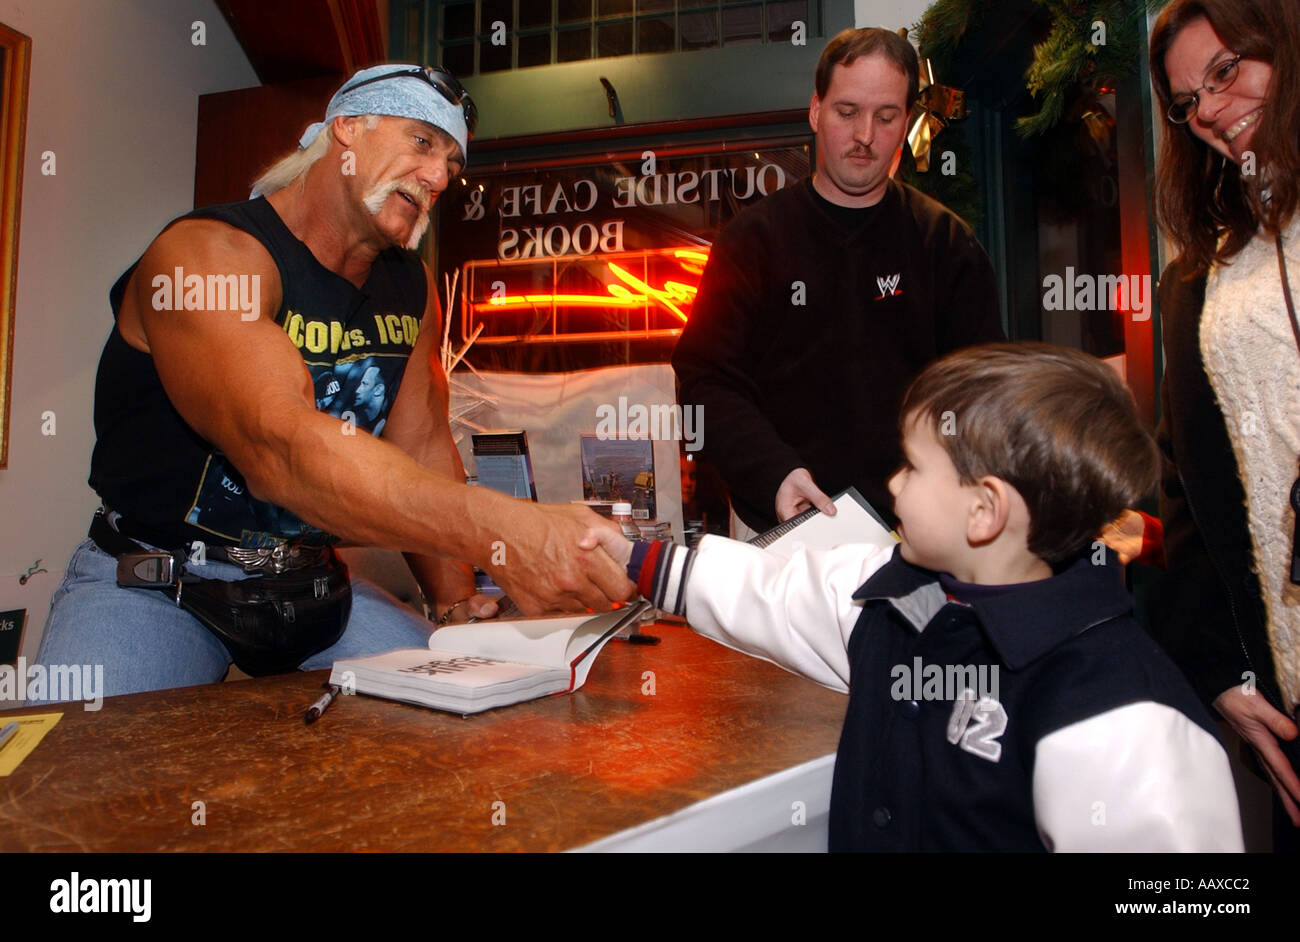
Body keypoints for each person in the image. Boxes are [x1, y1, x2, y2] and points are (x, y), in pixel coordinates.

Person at [33, 64, 632, 698]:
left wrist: (457, 604)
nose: (436, 178)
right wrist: (504, 528)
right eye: (422, 142)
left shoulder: (410, 286)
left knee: (480, 718)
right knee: (72, 782)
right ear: (345, 127)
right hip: (159, 585)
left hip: (313, 591)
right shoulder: (205, 257)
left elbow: (422, 447)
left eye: (452, 167)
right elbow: (278, 448)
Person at [595, 343, 1243, 851]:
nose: (893, 483)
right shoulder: (892, 596)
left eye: (913, 466)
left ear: (984, 510)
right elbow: (777, 594)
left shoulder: (1122, 712)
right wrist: (633, 558)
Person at [672, 27, 1003, 539]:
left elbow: (982, 396)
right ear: (815, 111)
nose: (865, 134)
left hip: (917, 537)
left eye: (886, 116)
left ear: (906, 120)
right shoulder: (752, 241)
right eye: (847, 112)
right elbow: (705, 381)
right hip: (779, 533)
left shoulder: (946, 245)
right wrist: (774, 473)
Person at [1147, 0, 1300, 845]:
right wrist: (1223, 671)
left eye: (1227, 70)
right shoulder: (1199, 280)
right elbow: (1187, 491)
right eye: (1185, 99)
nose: (1208, 108)